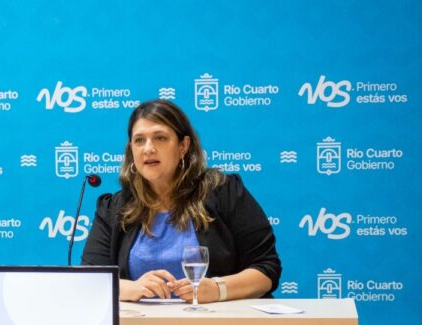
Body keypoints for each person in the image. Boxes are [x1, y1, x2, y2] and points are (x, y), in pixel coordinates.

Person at [81, 99, 281, 302]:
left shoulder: (223, 192)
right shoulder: (115, 208)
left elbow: (266, 268)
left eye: (160, 138)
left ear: (183, 146)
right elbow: (90, 280)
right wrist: (128, 288)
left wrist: (218, 289)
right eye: (139, 140)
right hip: (142, 322)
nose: (148, 148)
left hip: (217, 320)